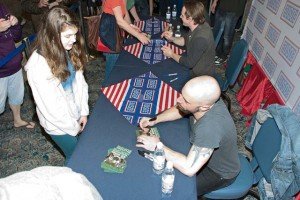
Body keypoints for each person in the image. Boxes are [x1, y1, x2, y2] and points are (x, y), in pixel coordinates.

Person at [137, 76, 240, 195]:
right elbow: (182, 108)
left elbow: (189, 168)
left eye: (186, 100)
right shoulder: (206, 101)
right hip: (203, 154)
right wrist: (155, 120)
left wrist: (157, 146)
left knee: (169, 189)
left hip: (219, 172)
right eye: (182, 95)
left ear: (204, 107)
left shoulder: (209, 128)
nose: (178, 100)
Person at [25, 6, 89, 161]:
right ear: (53, 36)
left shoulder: (67, 49)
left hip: (74, 114)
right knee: (77, 158)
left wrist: (83, 111)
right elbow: (51, 110)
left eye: (74, 34)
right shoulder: (38, 66)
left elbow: (80, 83)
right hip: (58, 125)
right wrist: (74, 128)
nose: (74, 40)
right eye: (68, 36)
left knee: (80, 153)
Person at [0, 3, 35, 129]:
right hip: (1, 69)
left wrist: (15, 24)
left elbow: (16, 36)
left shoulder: (2, 6)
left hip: (13, 62)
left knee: (17, 95)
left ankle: (17, 119)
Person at [161, 0, 215, 78]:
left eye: (182, 15)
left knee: (164, 73)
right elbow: (185, 40)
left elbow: (189, 63)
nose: (180, 17)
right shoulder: (198, 24)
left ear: (190, 19)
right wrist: (172, 38)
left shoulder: (201, 38)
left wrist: (171, 54)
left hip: (200, 75)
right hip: (194, 65)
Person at [99, 0, 150, 81]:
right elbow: (120, 21)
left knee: (117, 63)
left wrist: (132, 27)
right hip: (110, 35)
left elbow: (124, 13)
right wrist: (139, 36)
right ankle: (107, 88)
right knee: (112, 66)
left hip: (115, 33)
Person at [211, 0, 246, 65]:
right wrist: (215, 2)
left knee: (227, 35)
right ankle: (217, 53)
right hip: (221, 6)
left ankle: (224, 56)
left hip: (234, 9)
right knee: (218, 32)